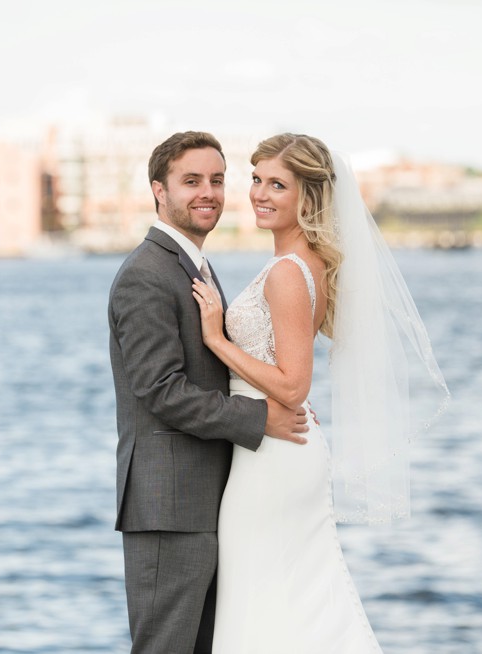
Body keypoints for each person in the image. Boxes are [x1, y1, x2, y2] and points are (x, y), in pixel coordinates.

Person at [191, 133, 450, 652]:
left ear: (307, 197)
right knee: (288, 602)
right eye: (257, 180)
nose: (260, 194)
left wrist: (216, 339)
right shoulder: (298, 264)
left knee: (262, 603)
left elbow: (293, 384)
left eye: (278, 185)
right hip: (276, 451)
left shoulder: (289, 272)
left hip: (275, 457)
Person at [108, 130, 311, 654]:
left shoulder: (194, 266)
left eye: (217, 180)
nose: (208, 193)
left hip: (211, 501)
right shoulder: (146, 274)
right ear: (159, 190)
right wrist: (257, 417)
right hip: (169, 507)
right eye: (191, 180)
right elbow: (160, 389)